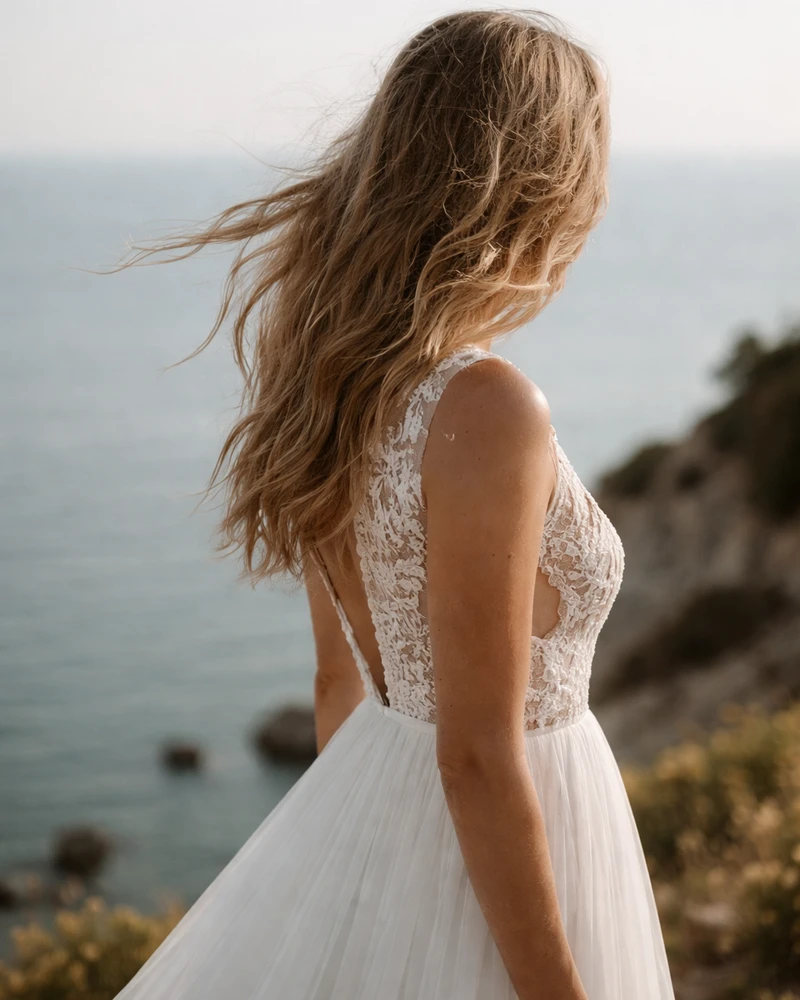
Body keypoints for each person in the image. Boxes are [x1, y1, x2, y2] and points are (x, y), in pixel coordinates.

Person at [107, 9, 676, 998]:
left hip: (385, 820)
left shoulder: (336, 386)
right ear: (540, 184)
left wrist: (357, 896)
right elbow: (475, 753)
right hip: (507, 849)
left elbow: (342, 688)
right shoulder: (485, 407)